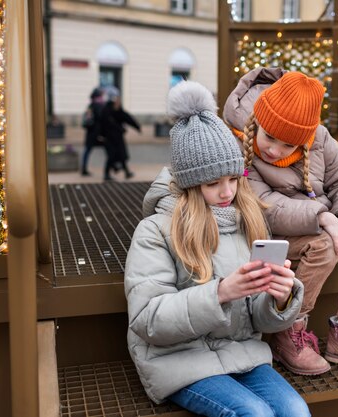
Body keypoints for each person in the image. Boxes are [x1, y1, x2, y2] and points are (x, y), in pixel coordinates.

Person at [125, 81, 310, 417]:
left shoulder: (246, 221)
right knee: (254, 414)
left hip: (241, 353)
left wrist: (279, 298)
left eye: (234, 179)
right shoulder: (155, 230)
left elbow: (258, 319)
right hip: (178, 361)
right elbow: (146, 318)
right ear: (190, 184)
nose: (227, 192)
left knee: (296, 410)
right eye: (213, 183)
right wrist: (221, 293)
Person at [223, 68, 338, 375]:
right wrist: (324, 217)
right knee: (326, 245)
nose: (274, 150)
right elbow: (263, 205)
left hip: (316, 224)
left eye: (288, 145)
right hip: (264, 234)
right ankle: (288, 329)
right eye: (269, 137)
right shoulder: (237, 142)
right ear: (258, 122)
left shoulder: (318, 138)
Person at [99, 86, 141, 180]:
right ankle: (106, 174)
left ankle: (126, 172)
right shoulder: (107, 110)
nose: (118, 100)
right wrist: (101, 135)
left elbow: (127, 117)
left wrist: (136, 126)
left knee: (122, 155)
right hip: (109, 138)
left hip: (118, 137)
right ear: (113, 99)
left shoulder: (117, 109)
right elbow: (106, 124)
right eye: (117, 98)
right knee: (111, 156)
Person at [80, 87, 106, 176]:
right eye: (102, 95)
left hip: (90, 132)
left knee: (87, 150)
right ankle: (112, 167)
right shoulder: (99, 105)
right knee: (109, 148)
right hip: (97, 133)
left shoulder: (90, 105)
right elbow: (101, 118)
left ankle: (83, 168)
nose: (103, 96)